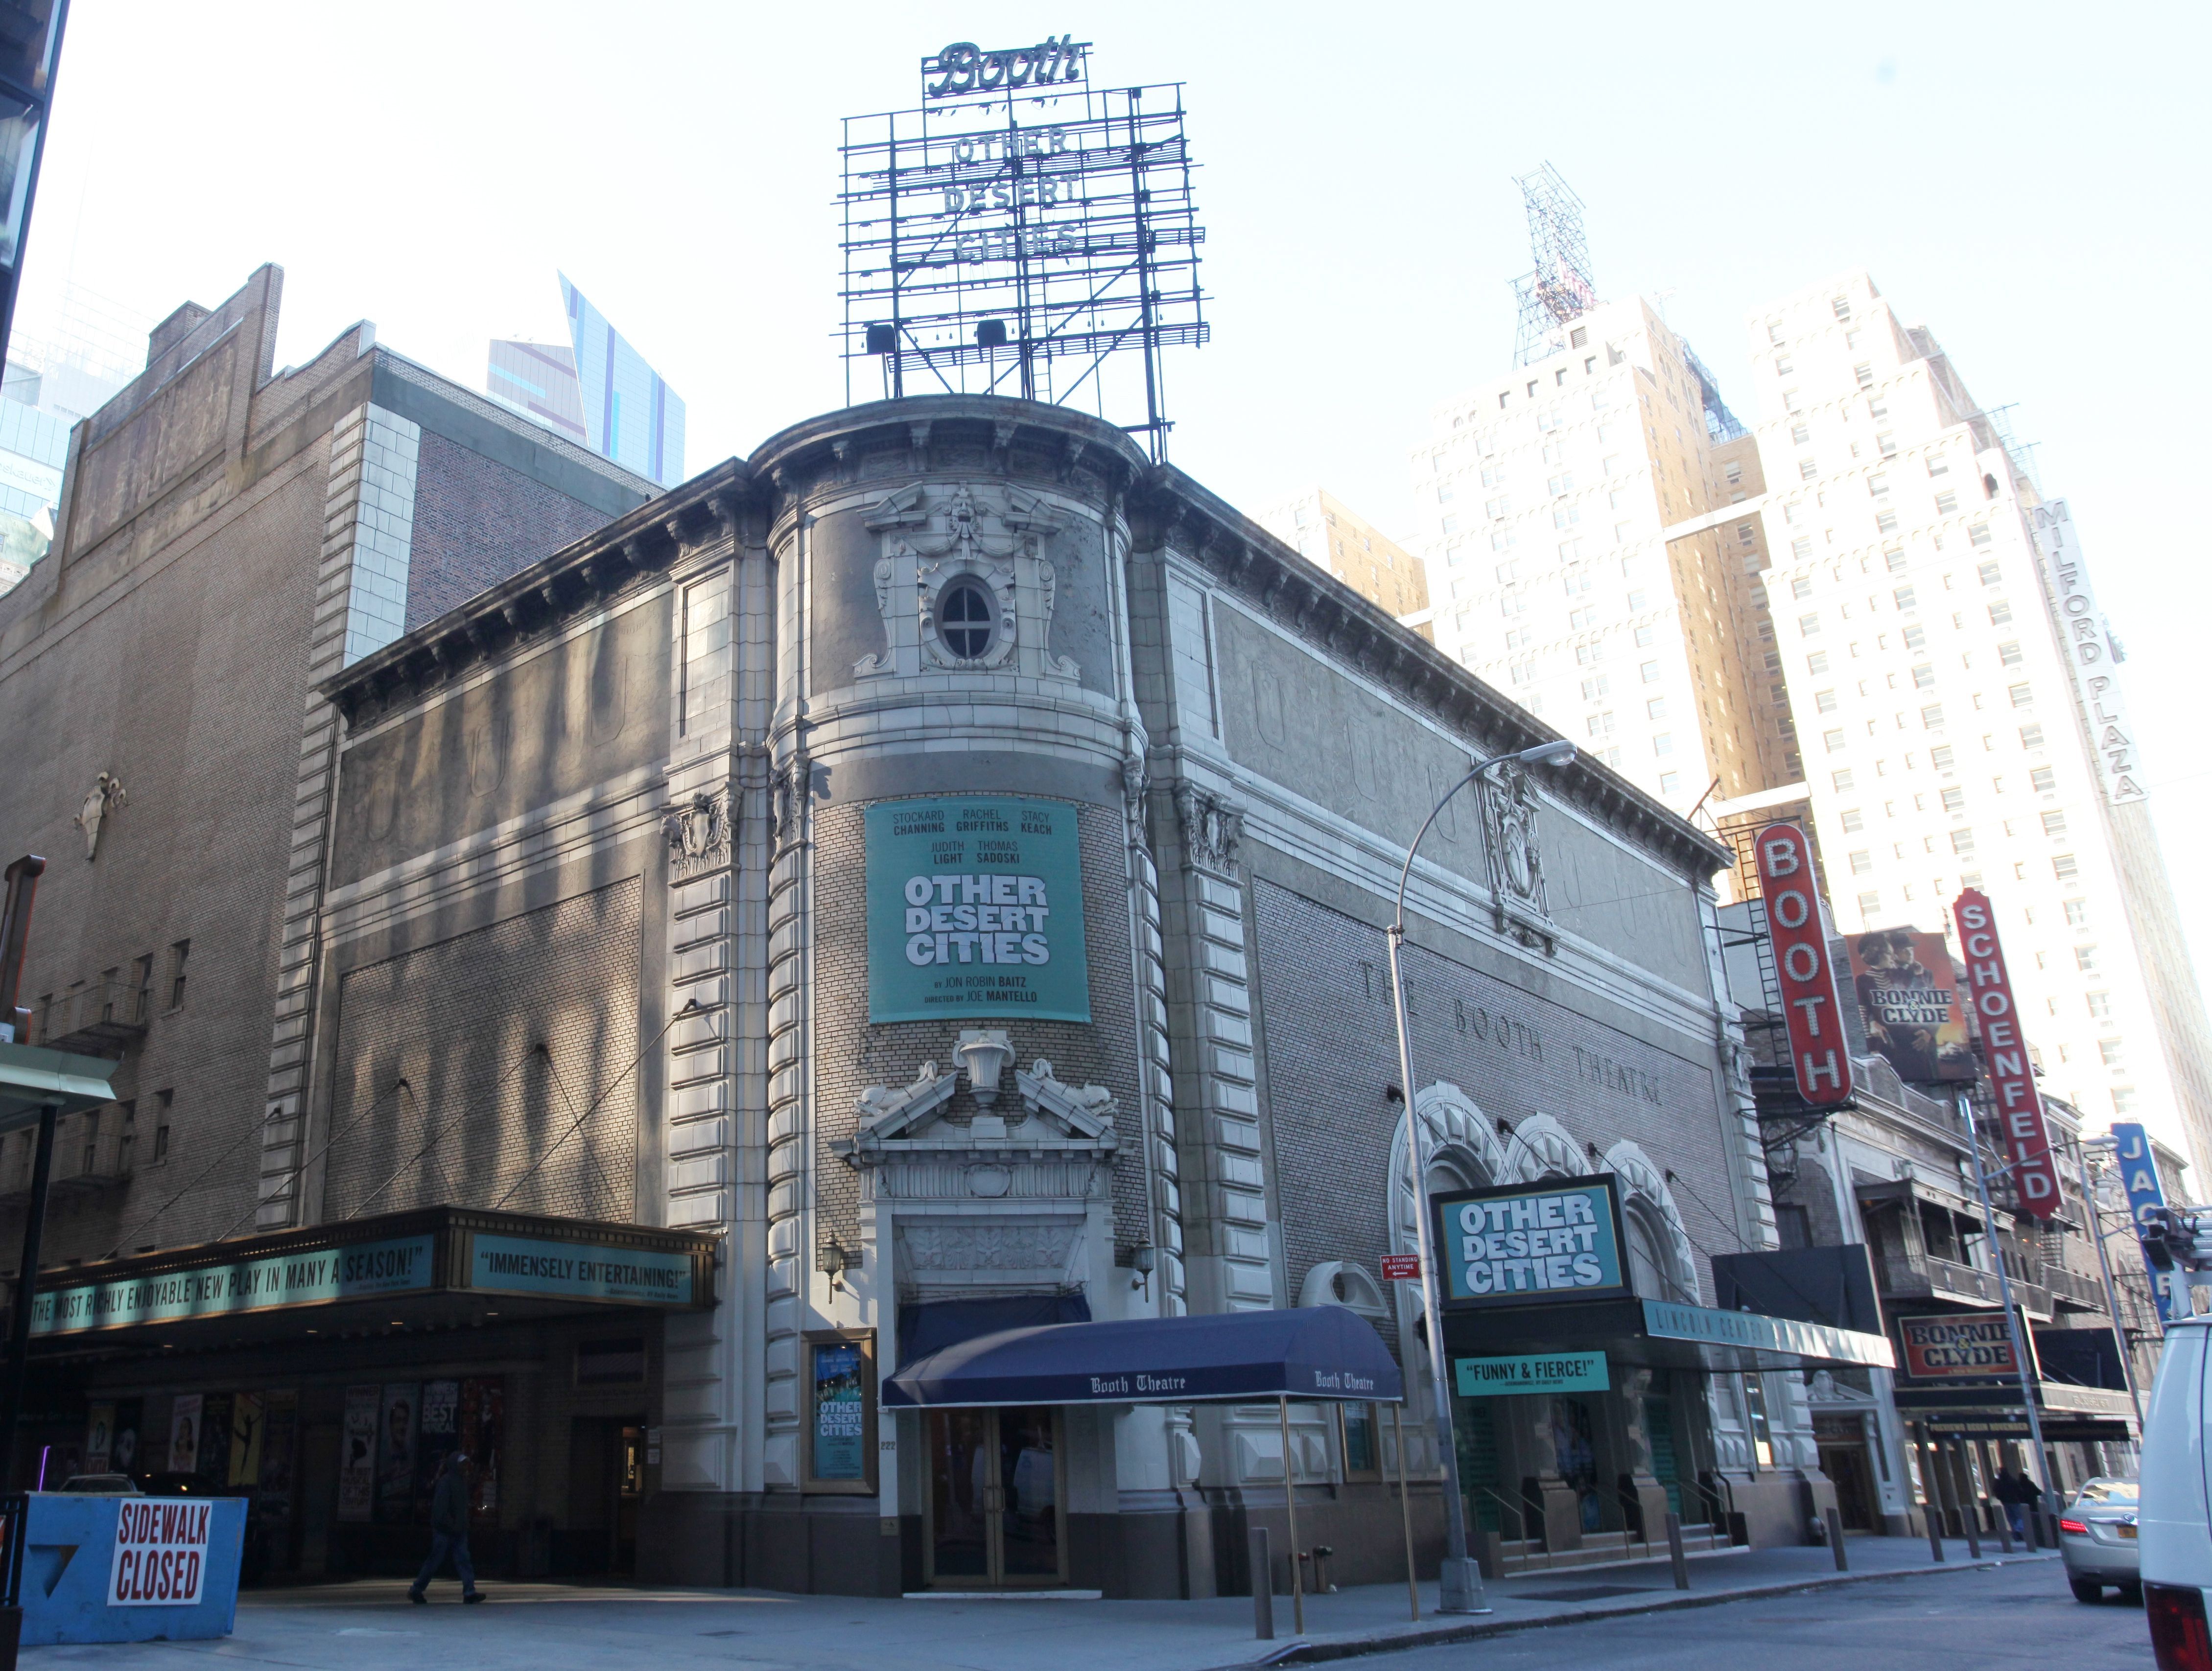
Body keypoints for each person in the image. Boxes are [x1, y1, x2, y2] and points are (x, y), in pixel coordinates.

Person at [408, 1451, 484, 1604]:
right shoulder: (448, 1482)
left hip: (454, 1529)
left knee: (458, 1560)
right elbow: (441, 1509)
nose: (465, 1466)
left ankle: (469, 1592)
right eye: (462, 1463)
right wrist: (453, 1524)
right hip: (446, 1530)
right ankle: (417, 1590)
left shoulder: (459, 1482)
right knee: (442, 1560)